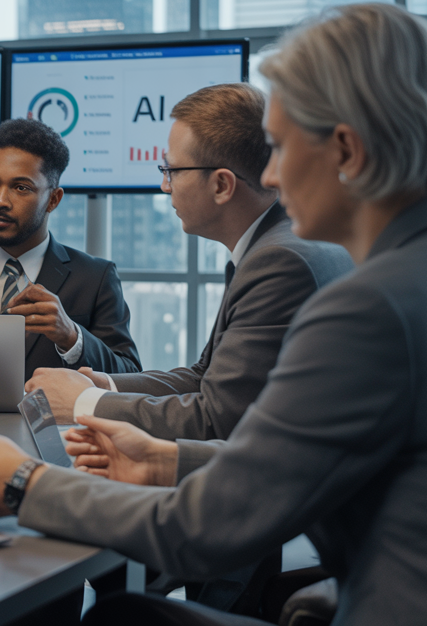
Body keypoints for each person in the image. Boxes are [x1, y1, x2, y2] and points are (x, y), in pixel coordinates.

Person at [0, 2, 427, 625]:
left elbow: (208, 520)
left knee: (123, 616)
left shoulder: (365, 303)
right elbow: (291, 460)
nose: (266, 173)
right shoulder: (390, 277)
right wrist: (163, 458)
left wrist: (23, 483)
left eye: (283, 147)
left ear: (344, 150)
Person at [25, 84, 352, 439]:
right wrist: (103, 383)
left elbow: (217, 417)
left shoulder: (278, 262)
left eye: (172, 170)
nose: (165, 186)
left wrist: (83, 402)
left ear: (222, 186)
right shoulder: (275, 245)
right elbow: (203, 375)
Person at [0, 119, 141, 378]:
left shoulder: (96, 278)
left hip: (56, 419)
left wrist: (72, 337)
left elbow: (130, 376)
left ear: (53, 199)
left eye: (21, 188)